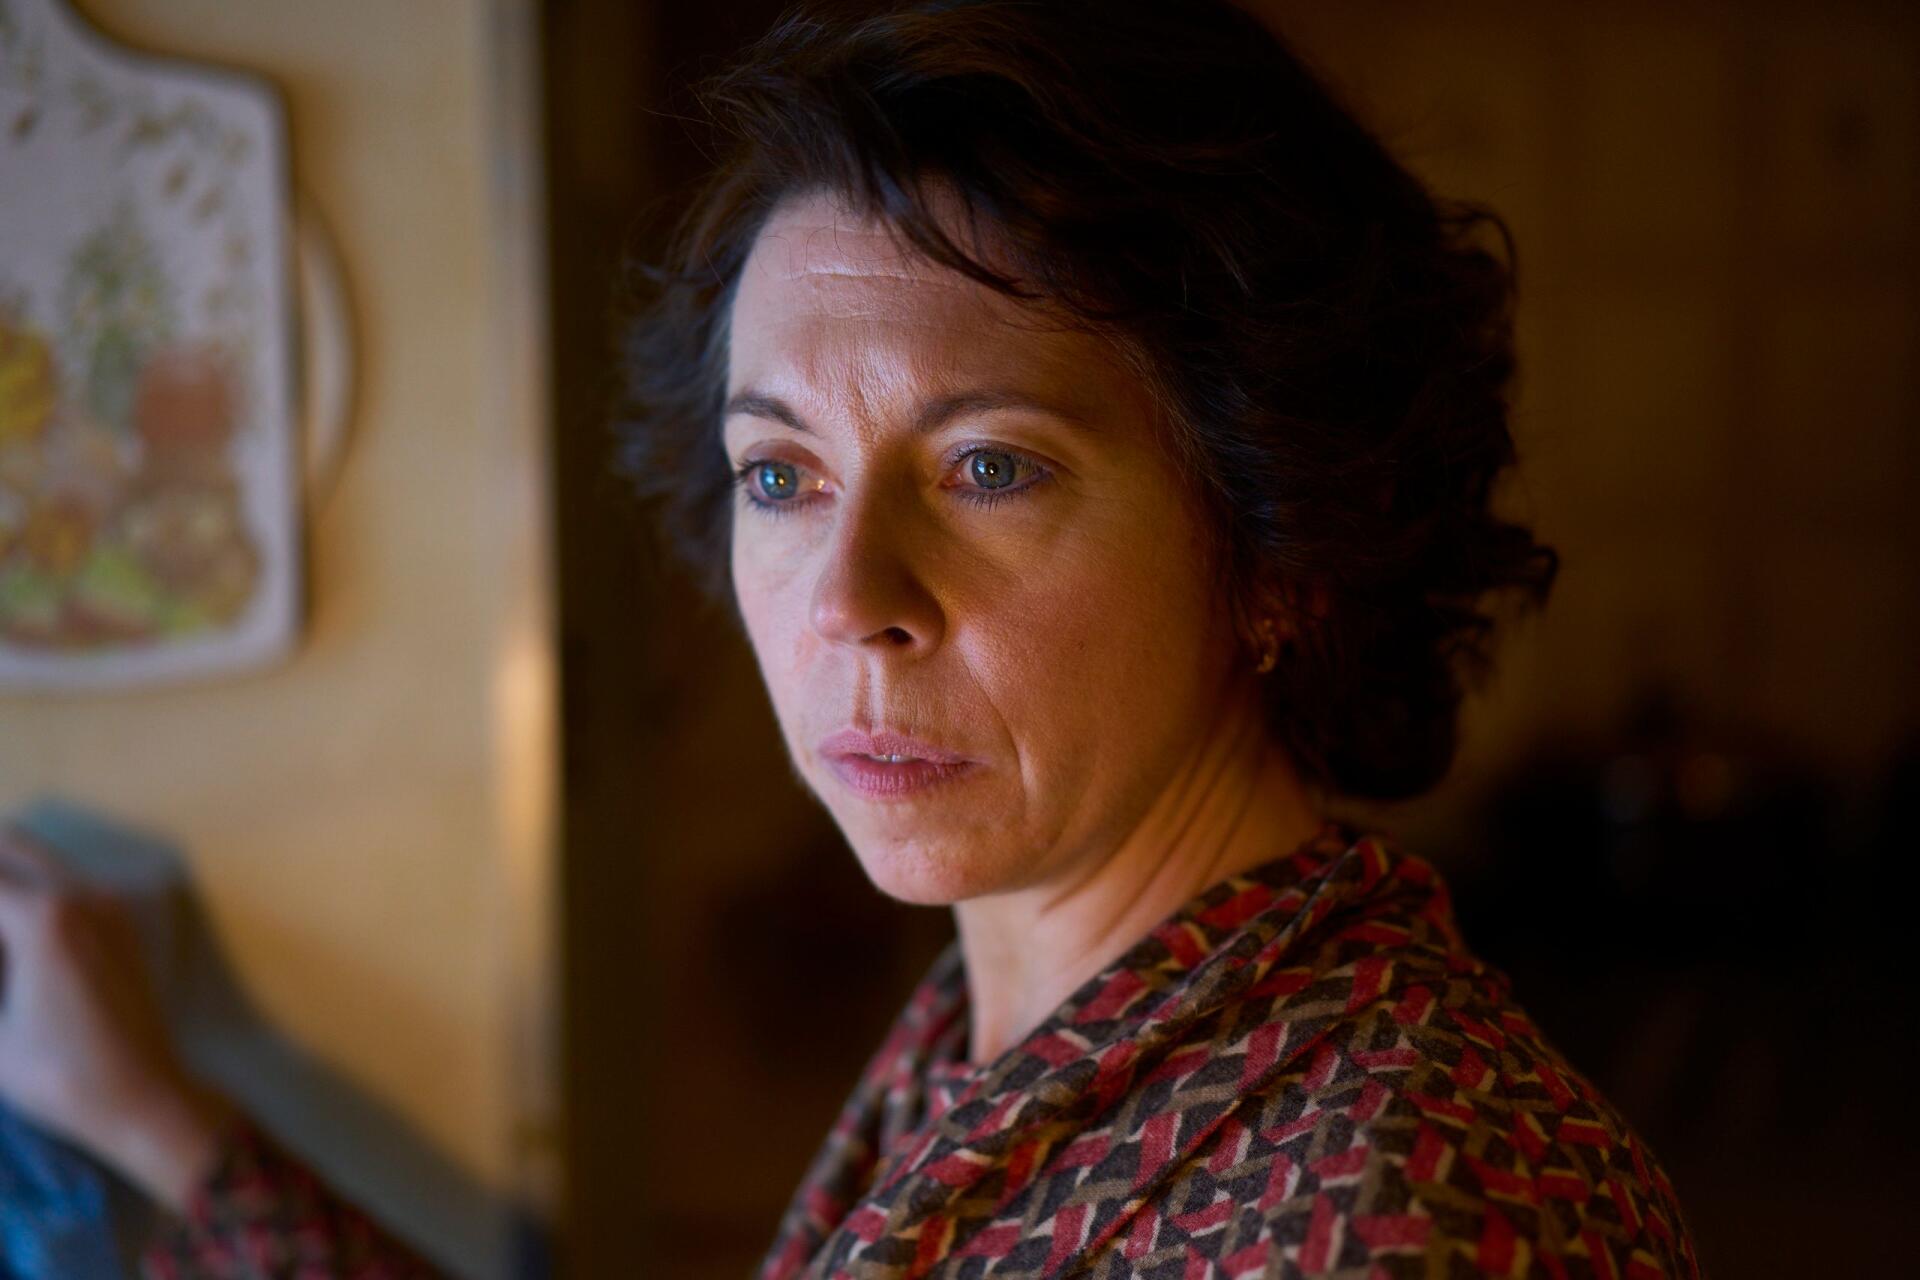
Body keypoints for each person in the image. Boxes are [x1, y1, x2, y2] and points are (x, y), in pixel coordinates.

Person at [0, 1, 1704, 1276]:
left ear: (1284, 544)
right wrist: (162, 1126)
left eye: (990, 466)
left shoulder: (1397, 1210)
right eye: (779, 471)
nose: (844, 599)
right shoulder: (1028, 1017)